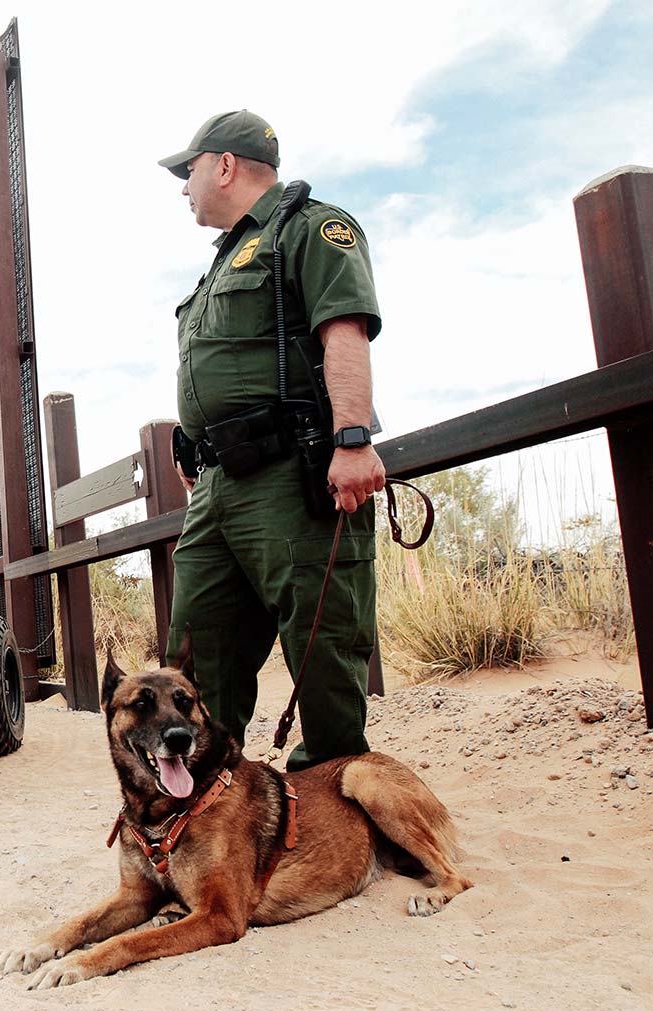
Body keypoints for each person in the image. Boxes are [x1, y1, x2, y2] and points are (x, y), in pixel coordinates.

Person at [158, 110, 385, 771]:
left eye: (189, 170)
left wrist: (352, 438)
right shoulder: (221, 264)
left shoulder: (310, 228)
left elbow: (343, 328)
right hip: (219, 489)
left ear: (225, 165)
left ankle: (333, 793)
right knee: (196, 647)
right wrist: (198, 452)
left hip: (291, 471)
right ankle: (204, 792)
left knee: (322, 641)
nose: (184, 187)